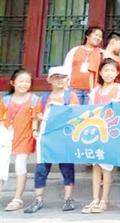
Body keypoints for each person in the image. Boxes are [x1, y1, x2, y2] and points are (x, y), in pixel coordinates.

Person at [24, 66, 78, 214]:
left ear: (67, 79)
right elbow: (36, 116)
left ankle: (68, 198)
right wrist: (35, 130)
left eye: (62, 77)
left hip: (64, 137)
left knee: (67, 167)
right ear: (49, 80)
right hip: (46, 138)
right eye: (56, 77)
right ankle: (38, 199)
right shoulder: (43, 98)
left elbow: (75, 114)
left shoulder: (71, 96)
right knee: (42, 168)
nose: (59, 80)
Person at [81, 58, 120, 214]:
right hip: (95, 133)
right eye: (106, 70)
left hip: (111, 133)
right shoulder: (95, 91)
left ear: (117, 73)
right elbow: (89, 111)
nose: (109, 73)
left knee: (106, 167)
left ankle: (104, 200)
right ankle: (95, 198)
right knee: (96, 166)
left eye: (112, 70)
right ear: (100, 72)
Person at [0, 69, 41, 211]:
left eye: (27, 81)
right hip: (6, 137)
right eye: (21, 81)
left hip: (25, 137)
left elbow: (35, 118)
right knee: (1, 167)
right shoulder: (5, 100)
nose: (24, 84)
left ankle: (17, 199)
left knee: (20, 166)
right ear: (13, 83)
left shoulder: (35, 99)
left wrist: (35, 131)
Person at [63, 26, 104, 105]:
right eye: (96, 35)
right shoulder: (75, 50)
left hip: (92, 90)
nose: (98, 38)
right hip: (74, 88)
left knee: (88, 112)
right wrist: (66, 85)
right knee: (74, 111)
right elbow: (66, 67)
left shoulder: (102, 53)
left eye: (100, 36)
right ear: (87, 35)